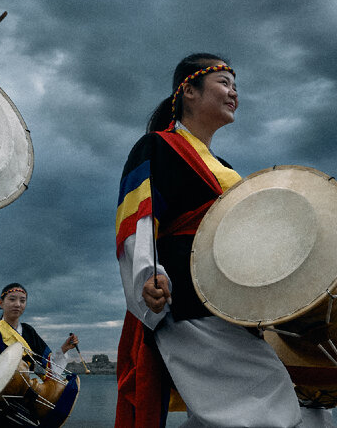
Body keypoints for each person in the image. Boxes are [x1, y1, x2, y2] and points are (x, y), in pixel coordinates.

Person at [114, 53, 302, 428]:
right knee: (265, 402)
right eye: (225, 83)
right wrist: (147, 277)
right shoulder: (157, 146)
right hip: (186, 296)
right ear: (189, 91)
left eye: (236, 86)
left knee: (227, 412)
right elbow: (137, 218)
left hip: (232, 302)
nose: (234, 93)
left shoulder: (227, 168)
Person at [0, 282, 81, 426]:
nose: (17, 304)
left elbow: (48, 368)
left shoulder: (29, 332)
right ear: (1, 303)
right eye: (12, 299)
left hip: (23, 404)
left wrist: (64, 349)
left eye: (22, 300)